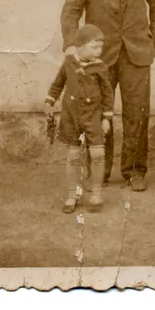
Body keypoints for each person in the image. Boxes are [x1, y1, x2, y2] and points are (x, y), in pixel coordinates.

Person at [60, 0, 155, 191]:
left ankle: (135, 171)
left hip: (137, 54)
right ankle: (100, 171)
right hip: (98, 56)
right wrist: (72, 44)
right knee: (96, 112)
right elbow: (71, 10)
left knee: (137, 113)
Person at [44, 24, 114, 213]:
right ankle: (71, 195)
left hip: (94, 116)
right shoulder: (69, 63)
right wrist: (49, 103)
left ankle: (96, 193)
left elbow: (108, 93)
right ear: (80, 46)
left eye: (101, 47)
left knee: (98, 155)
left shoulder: (100, 67)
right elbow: (57, 85)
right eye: (94, 47)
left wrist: (106, 118)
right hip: (72, 116)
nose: (99, 51)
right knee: (73, 156)